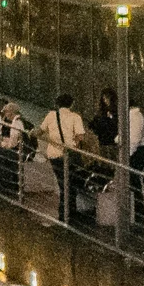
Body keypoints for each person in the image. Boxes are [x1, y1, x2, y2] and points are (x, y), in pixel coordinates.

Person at [38, 94, 87, 224]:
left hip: (54, 154)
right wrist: (72, 144)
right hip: (69, 154)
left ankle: (64, 214)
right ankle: (70, 213)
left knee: (62, 183)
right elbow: (80, 136)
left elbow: (40, 131)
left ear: (57, 104)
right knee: (72, 183)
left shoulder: (51, 115)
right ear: (72, 104)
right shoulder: (75, 117)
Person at [0, 100, 26, 197]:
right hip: (14, 148)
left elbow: (12, 143)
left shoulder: (16, 123)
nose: (5, 113)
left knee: (1, 156)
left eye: (6, 111)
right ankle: (6, 184)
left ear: (11, 112)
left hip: (15, 150)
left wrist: (1, 143)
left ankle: (5, 185)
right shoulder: (15, 121)